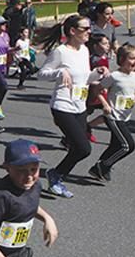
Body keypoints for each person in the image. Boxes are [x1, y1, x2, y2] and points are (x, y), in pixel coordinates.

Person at [38, 15, 107, 198]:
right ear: (72, 31)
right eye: (85, 29)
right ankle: (56, 175)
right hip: (62, 105)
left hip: (79, 105)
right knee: (84, 148)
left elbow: (84, 79)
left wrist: (97, 73)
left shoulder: (84, 50)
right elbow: (42, 74)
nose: (89, 32)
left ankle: (56, 174)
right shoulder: (60, 51)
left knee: (78, 148)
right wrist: (60, 71)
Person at [87, 44, 135, 181]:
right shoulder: (114, 76)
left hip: (125, 116)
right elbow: (96, 90)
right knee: (128, 146)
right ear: (122, 59)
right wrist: (104, 104)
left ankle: (98, 169)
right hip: (113, 115)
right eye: (131, 58)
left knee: (115, 145)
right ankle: (104, 165)